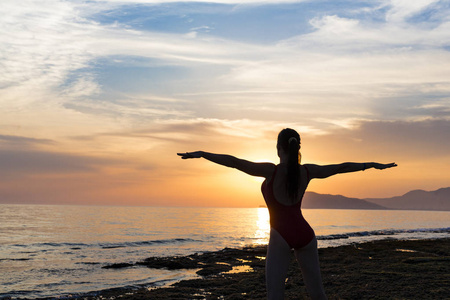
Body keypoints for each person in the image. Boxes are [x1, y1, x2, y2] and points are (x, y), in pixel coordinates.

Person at [177, 128, 397, 300]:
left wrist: (203, 154)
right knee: (318, 294)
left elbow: (235, 163)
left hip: (281, 235)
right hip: (305, 234)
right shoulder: (307, 171)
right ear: (297, 148)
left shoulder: (271, 170)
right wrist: (371, 165)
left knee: (275, 296)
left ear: (278, 148)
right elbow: (340, 167)